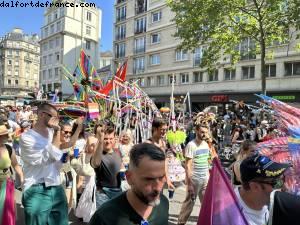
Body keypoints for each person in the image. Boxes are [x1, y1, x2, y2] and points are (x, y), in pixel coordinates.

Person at [89, 143, 169, 225]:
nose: (158, 188)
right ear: (129, 178)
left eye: (161, 178)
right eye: (149, 179)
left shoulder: (163, 204)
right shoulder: (104, 217)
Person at [20, 103, 68, 225]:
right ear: (42, 115)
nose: (57, 121)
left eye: (58, 118)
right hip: (36, 189)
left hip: (56, 186)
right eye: (54, 117)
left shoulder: (53, 134)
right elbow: (47, 159)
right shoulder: (27, 137)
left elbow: (57, 160)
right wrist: (57, 132)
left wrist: (64, 158)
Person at [235, 154, 290, 225]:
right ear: (255, 187)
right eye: (276, 183)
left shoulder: (262, 200)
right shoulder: (234, 217)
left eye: (282, 180)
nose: (285, 188)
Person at [177, 124, 211, 225]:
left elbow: (207, 160)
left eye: (206, 132)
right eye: (202, 132)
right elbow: (188, 165)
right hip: (194, 179)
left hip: (205, 179)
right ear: (196, 131)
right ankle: (181, 223)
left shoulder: (205, 144)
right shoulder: (191, 145)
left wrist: (209, 176)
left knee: (206, 204)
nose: (204, 134)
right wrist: (190, 184)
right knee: (189, 204)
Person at [91, 124, 122, 209]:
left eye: (111, 138)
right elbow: (95, 163)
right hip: (103, 194)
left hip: (118, 192)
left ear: (114, 138)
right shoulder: (98, 154)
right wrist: (100, 141)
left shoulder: (118, 153)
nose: (108, 141)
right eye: (105, 139)